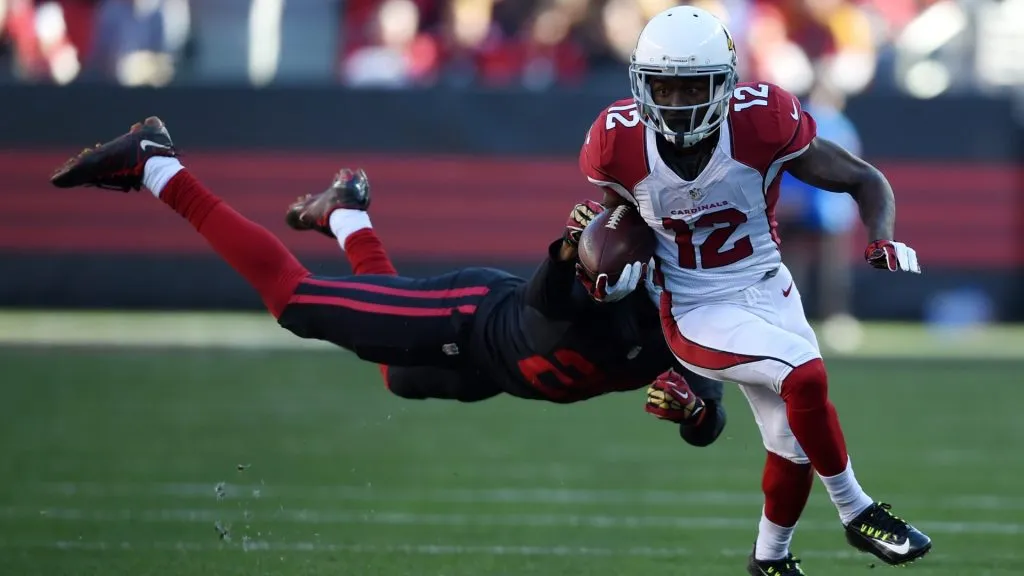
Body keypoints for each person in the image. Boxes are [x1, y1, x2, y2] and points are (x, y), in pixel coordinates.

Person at [48, 116, 726, 447]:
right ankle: (157, 167)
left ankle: (346, 212)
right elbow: (548, 297)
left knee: (393, 376)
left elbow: (711, 415)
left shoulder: (685, 321)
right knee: (296, 303)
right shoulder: (575, 280)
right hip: (472, 317)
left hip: (500, 368)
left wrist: (696, 413)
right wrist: (566, 252)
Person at [578, 6, 927, 575]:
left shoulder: (761, 122)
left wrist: (882, 236)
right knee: (804, 374)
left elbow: (864, 179)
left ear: (726, 85)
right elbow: (624, 232)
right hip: (696, 308)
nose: (678, 102)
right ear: (641, 84)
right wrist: (605, 260)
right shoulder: (616, 144)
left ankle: (770, 560)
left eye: (694, 86)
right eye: (663, 87)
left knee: (791, 442)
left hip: (770, 289)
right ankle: (857, 510)